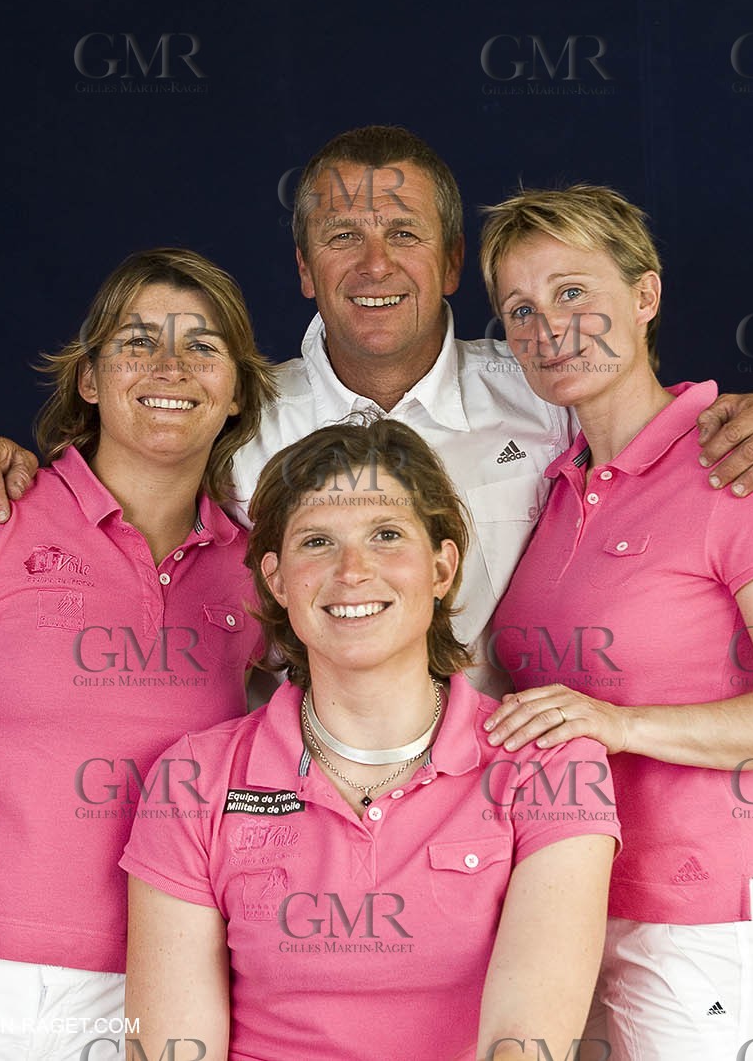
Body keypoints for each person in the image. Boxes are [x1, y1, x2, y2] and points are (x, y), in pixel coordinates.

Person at [0, 126, 753, 697]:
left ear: (453, 263)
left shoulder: (544, 393)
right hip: (297, 809)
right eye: (343, 237)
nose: (374, 265)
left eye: (404, 235)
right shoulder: (233, 411)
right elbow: (114, 478)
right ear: (306, 270)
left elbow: (653, 429)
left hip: (507, 800)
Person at [0, 248, 277, 1061]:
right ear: (90, 378)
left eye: (203, 346)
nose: (171, 365)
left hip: (146, 997)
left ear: (236, 391)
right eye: (138, 341)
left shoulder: (259, 573)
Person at [478, 185, 753, 1059]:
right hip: (564, 912)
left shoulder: (744, 468)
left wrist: (618, 723)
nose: (548, 328)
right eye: (520, 310)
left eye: (574, 292)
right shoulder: (552, 484)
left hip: (700, 922)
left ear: (645, 296)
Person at [119, 418, 620, 1061]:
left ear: (442, 568)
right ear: (276, 580)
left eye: (386, 536)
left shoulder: (551, 763)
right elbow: (170, 1050)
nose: (351, 571)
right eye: (317, 542)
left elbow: (525, 1046)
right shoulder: (193, 777)